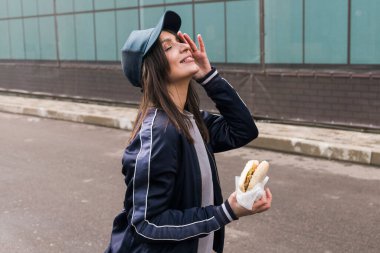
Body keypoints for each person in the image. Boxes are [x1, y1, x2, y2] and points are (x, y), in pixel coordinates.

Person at [104, 10, 272, 253]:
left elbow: (243, 130)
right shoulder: (158, 133)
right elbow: (147, 223)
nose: (184, 47)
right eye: (167, 47)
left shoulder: (191, 121)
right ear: (151, 70)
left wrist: (209, 77)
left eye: (179, 41)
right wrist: (227, 211)